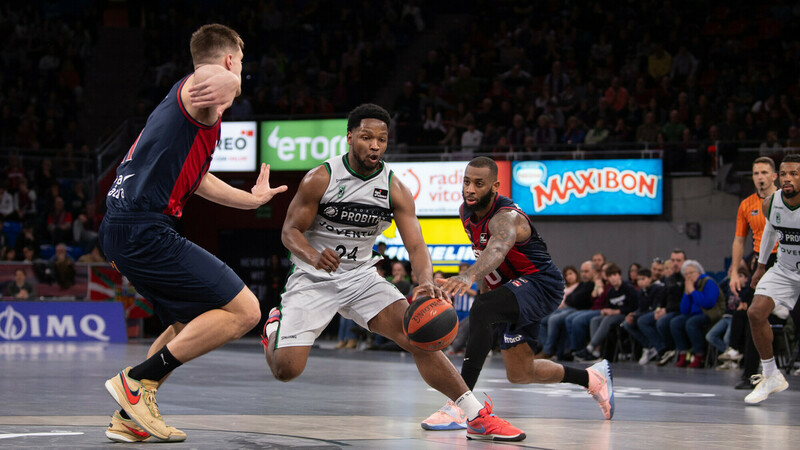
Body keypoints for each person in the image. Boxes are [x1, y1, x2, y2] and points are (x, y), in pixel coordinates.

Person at [261, 104, 525, 442]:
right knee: (286, 370)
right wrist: (313, 255)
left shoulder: (394, 188)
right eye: (367, 137)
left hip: (361, 278)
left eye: (382, 140)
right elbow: (289, 232)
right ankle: (274, 328)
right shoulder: (321, 178)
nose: (374, 146)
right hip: (314, 278)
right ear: (350, 137)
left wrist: (425, 282)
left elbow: (416, 246)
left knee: (420, 336)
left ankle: (475, 415)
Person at [100, 24, 287, 443]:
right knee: (247, 311)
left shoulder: (180, 114)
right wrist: (232, 80)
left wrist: (251, 200)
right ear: (230, 59)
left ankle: (131, 418)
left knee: (184, 324)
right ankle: (136, 381)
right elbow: (212, 79)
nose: (237, 73)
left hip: (122, 230)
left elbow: (199, 180)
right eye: (239, 63)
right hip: (143, 228)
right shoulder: (198, 91)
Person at [422, 157, 614, 434]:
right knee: (520, 372)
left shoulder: (507, 217)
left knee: (482, 308)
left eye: (479, 183)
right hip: (512, 291)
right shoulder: (465, 212)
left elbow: (497, 251)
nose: (470, 189)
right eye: (466, 182)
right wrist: (485, 286)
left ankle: (460, 405)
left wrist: (466, 277)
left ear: (495, 186)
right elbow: (488, 259)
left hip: (541, 284)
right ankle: (591, 378)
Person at [745, 153, 800, 404]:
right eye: (785, 173)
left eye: (794, 174)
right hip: (785, 268)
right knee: (755, 312)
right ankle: (771, 374)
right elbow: (769, 231)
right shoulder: (771, 203)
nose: (788, 179)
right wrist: (761, 265)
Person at [728, 156, 779, 390]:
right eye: (756, 173)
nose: (760, 177)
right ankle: (750, 374)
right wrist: (735, 271)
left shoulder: (787, 200)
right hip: (761, 264)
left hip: (788, 260)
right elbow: (739, 240)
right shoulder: (746, 205)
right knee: (752, 316)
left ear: (774, 176)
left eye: (765, 173)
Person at [670, 260, 725, 368]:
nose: (689, 276)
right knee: (675, 322)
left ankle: (700, 356)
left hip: (712, 314)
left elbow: (708, 303)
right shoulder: (690, 286)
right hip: (695, 314)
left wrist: (693, 291)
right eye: (686, 274)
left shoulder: (708, 282)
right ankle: (684, 354)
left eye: (691, 273)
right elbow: (684, 310)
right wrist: (687, 293)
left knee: (692, 323)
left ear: (699, 272)